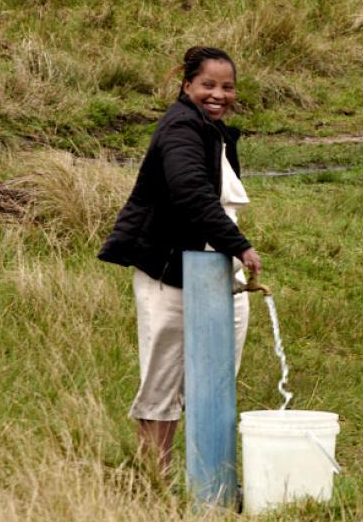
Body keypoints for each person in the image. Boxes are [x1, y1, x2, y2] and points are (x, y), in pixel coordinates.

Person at [99, 45, 262, 477]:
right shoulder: (180, 130)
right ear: (186, 84)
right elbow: (191, 194)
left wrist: (231, 255)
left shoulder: (215, 132)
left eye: (227, 87)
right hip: (169, 274)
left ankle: (211, 486)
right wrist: (239, 245)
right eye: (207, 84)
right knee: (163, 385)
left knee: (215, 384)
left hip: (217, 274)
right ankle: (156, 483)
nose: (218, 94)